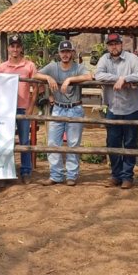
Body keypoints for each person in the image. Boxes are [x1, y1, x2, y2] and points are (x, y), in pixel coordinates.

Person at [33, 40, 93, 186]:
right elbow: (35, 74)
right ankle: (56, 175)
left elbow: (89, 76)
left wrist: (69, 79)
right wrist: (48, 77)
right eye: (62, 52)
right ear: (59, 54)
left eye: (68, 52)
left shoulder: (78, 67)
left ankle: (71, 175)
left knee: (73, 144)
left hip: (75, 108)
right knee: (53, 142)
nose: (65, 54)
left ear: (72, 53)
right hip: (58, 107)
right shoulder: (53, 67)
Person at [94, 33, 138, 189]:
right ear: (107, 46)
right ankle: (116, 175)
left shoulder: (132, 59)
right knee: (112, 143)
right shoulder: (104, 59)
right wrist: (118, 78)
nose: (114, 47)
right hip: (113, 108)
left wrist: (125, 79)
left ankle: (127, 176)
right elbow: (98, 75)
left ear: (121, 44)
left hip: (132, 107)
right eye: (111, 44)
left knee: (130, 142)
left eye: (116, 43)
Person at [0, 35, 37, 184]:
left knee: (24, 140)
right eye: (12, 46)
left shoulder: (29, 66)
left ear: (21, 48)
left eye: (17, 46)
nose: (15, 49)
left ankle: (26, 171)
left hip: (23, 108)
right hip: (6, 109)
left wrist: (31, 107)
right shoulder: (2, 67)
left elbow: (35, 87)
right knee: (5, 140)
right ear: (8, 48)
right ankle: (5, 171)